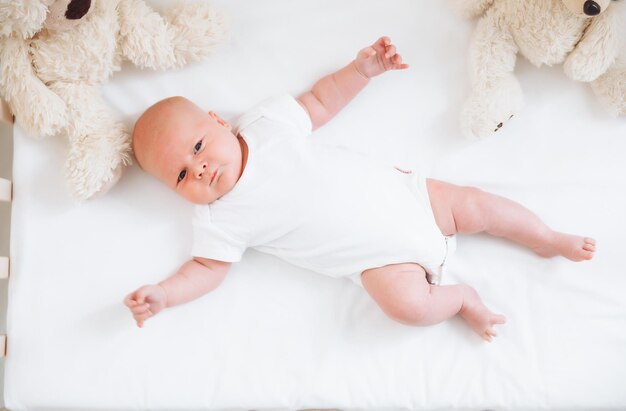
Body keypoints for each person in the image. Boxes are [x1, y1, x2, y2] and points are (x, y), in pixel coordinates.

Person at [125, 36, 596, 341]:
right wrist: (165, 294)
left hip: (414, 200)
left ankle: (545, 237)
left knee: (478, 204)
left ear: (217, 120)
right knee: (407, 308)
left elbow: (320, 100)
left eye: (199, 146)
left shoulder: (266, 125)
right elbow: (205, 269)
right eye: (182, 175)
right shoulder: (219, 220)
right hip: (379, 263)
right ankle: (462, 298)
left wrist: (362, 70)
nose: (200, 167)